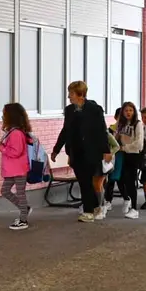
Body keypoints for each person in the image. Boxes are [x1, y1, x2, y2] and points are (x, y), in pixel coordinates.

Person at [51, 81, 111, 224]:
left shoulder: (95, 109)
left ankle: (88, 212)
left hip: (91, 152)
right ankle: (96, 206)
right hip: (75, 151)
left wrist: (106, 151)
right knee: (85, 182)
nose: (68, 96)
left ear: (80, 94)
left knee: (85, 181)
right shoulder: (69, 110)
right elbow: (65, 131)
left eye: (71, 93)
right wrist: (56, 149)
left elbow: (101, 131)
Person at [0, 103, 33, 230]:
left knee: (20, 193)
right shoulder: (12, 131)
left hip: (18, 169)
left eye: (4, 114)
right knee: (5, 191)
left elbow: (16, 151)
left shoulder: (16, 133)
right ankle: (25, 209)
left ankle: (23, 220)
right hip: (13, 169)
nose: (2, 116)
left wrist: (1, 147)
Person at [115, 102, 144, 219]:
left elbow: (139, 143)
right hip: (122, 155)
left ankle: (134, 209)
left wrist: (125, 147)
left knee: (131, 181)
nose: (128, 112)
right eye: (126, 110)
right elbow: (117, 137)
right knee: (121, 179)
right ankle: (127, 199)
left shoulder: (137, 124)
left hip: (133, 155)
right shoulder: (121, 124)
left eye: (131, 110)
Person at [94, 128, 120, 220]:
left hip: (103, 162)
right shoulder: (87, 132)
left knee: (98, 184)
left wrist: (109, 153)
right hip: (93, 161)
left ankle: (101, 207)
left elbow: (116, 146)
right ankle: (98, 205)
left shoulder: (105, 133)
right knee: (95, 184)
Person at [104, 108, 127, 210]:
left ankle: (127, 199)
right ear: (115, 117)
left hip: (122, 156)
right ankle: (108, 201)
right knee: (111, 179)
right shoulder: (110, 130)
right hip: (112, 156)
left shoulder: (127, 129)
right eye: (119, 117)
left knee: (119, 178)